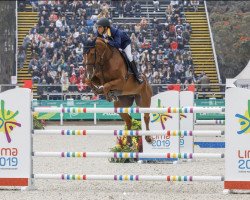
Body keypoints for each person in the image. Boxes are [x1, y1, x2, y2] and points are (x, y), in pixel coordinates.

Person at [95, 18, 143, 84]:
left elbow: (117, 44)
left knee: (129, 57)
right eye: (97, 27)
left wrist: (108, 41)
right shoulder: (99, 32)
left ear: (105, 27)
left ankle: (137, 75)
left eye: (99, 27)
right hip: (113, 44)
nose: (98, 29)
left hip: (124, 44)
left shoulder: (115, 32)